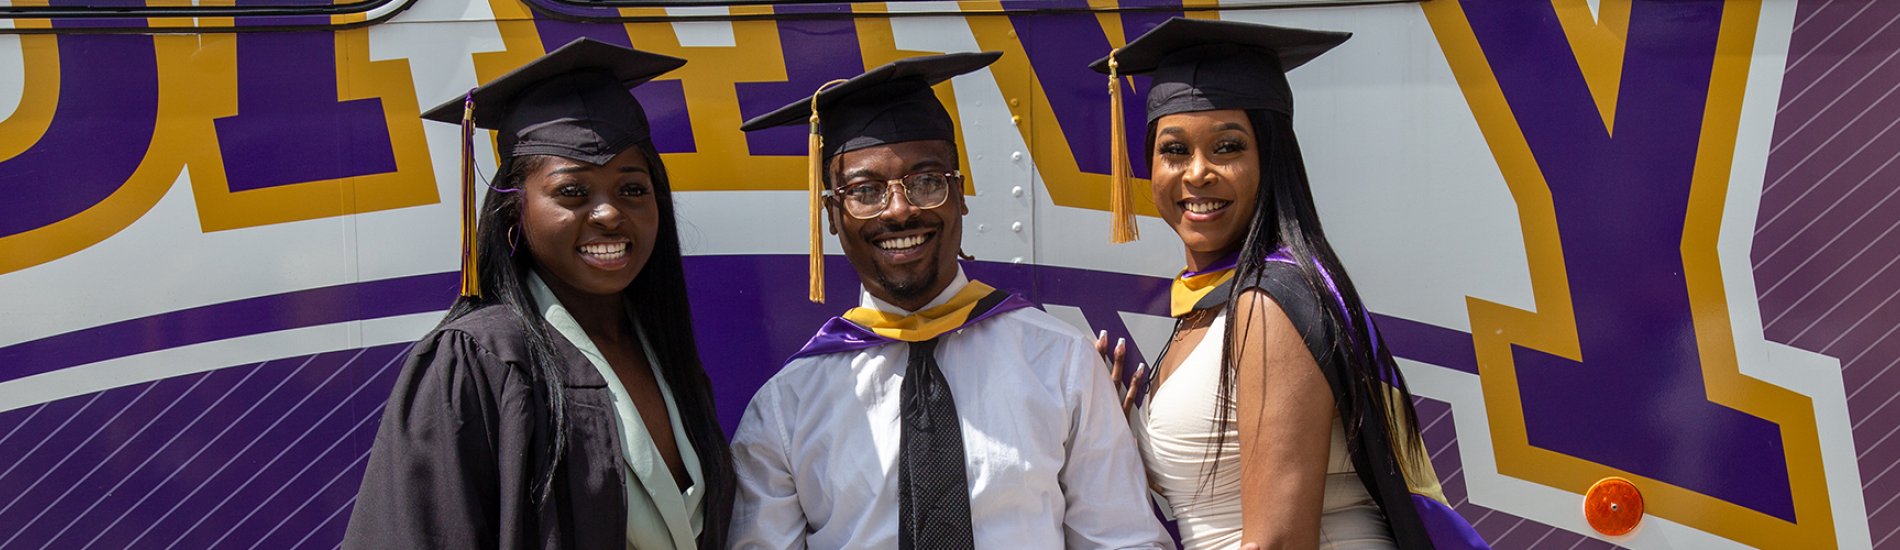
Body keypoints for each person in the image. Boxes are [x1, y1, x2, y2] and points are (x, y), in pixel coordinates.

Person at [725, 51, 1174, 550]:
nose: (899, 211)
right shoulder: (786, 408)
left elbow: (1122, 541)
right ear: (832, 215)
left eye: (925, 183)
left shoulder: (1061, 364)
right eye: (865, 191)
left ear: (960, 195)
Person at [1089, 18, 1487, 550]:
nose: (1197, 173)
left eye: (1227, 147)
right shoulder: (1210, 308)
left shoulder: (1269, 303)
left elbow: (1276, 542)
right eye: (1174, 151)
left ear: (1271, 158)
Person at [342, 38, 734, 550]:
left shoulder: (663, 352)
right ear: (514, 211)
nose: (610, 213)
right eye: (572, 192)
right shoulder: (481, 359)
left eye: (632, 189)